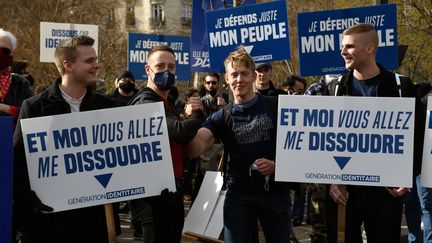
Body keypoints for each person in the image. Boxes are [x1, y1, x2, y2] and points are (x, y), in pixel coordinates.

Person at [13, 35, 120, 242]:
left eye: (96, 60)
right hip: (50, 223)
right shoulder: (34, 107)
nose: (96, 66)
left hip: (95, 222)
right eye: (89, 61)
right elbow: (18, 162)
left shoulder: (109, 107)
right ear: (68, 65)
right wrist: (32, 204)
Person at [325, 23, 423, 243]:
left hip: (385, 193)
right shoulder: (335, 88)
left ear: (370, 48)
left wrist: (406, 178)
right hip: (344, 192)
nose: (342, 52)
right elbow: (324, 141)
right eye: (342, 46)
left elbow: (419, 140)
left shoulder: (401, 88)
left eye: (349, 47)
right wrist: (329, 181)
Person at [186, 47, 292, 243]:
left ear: (253, 76)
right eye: (234, 74)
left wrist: (277, 165)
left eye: (244, 74)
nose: (239, 79)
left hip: (275, 195)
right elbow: (195, 148)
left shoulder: (276, 106)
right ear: (226, 78)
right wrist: (192, 117)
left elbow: (298, 148)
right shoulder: (221, 116)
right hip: (239, 197)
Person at [128, 45, 205, 243]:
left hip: (172, 191)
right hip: (153, 199)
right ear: (148, 70)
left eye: (171, 67)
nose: (166, 72)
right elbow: (179, 131)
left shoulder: (166, 103)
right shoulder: (145, 102)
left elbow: (188, 144)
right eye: (160, 66)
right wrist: (198, 116)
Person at [0, 29, 33, 129]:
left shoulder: (22, 84)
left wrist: (4, 108)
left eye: (5, 51)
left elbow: (31, 113)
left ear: (12, 54)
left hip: (11, 140)